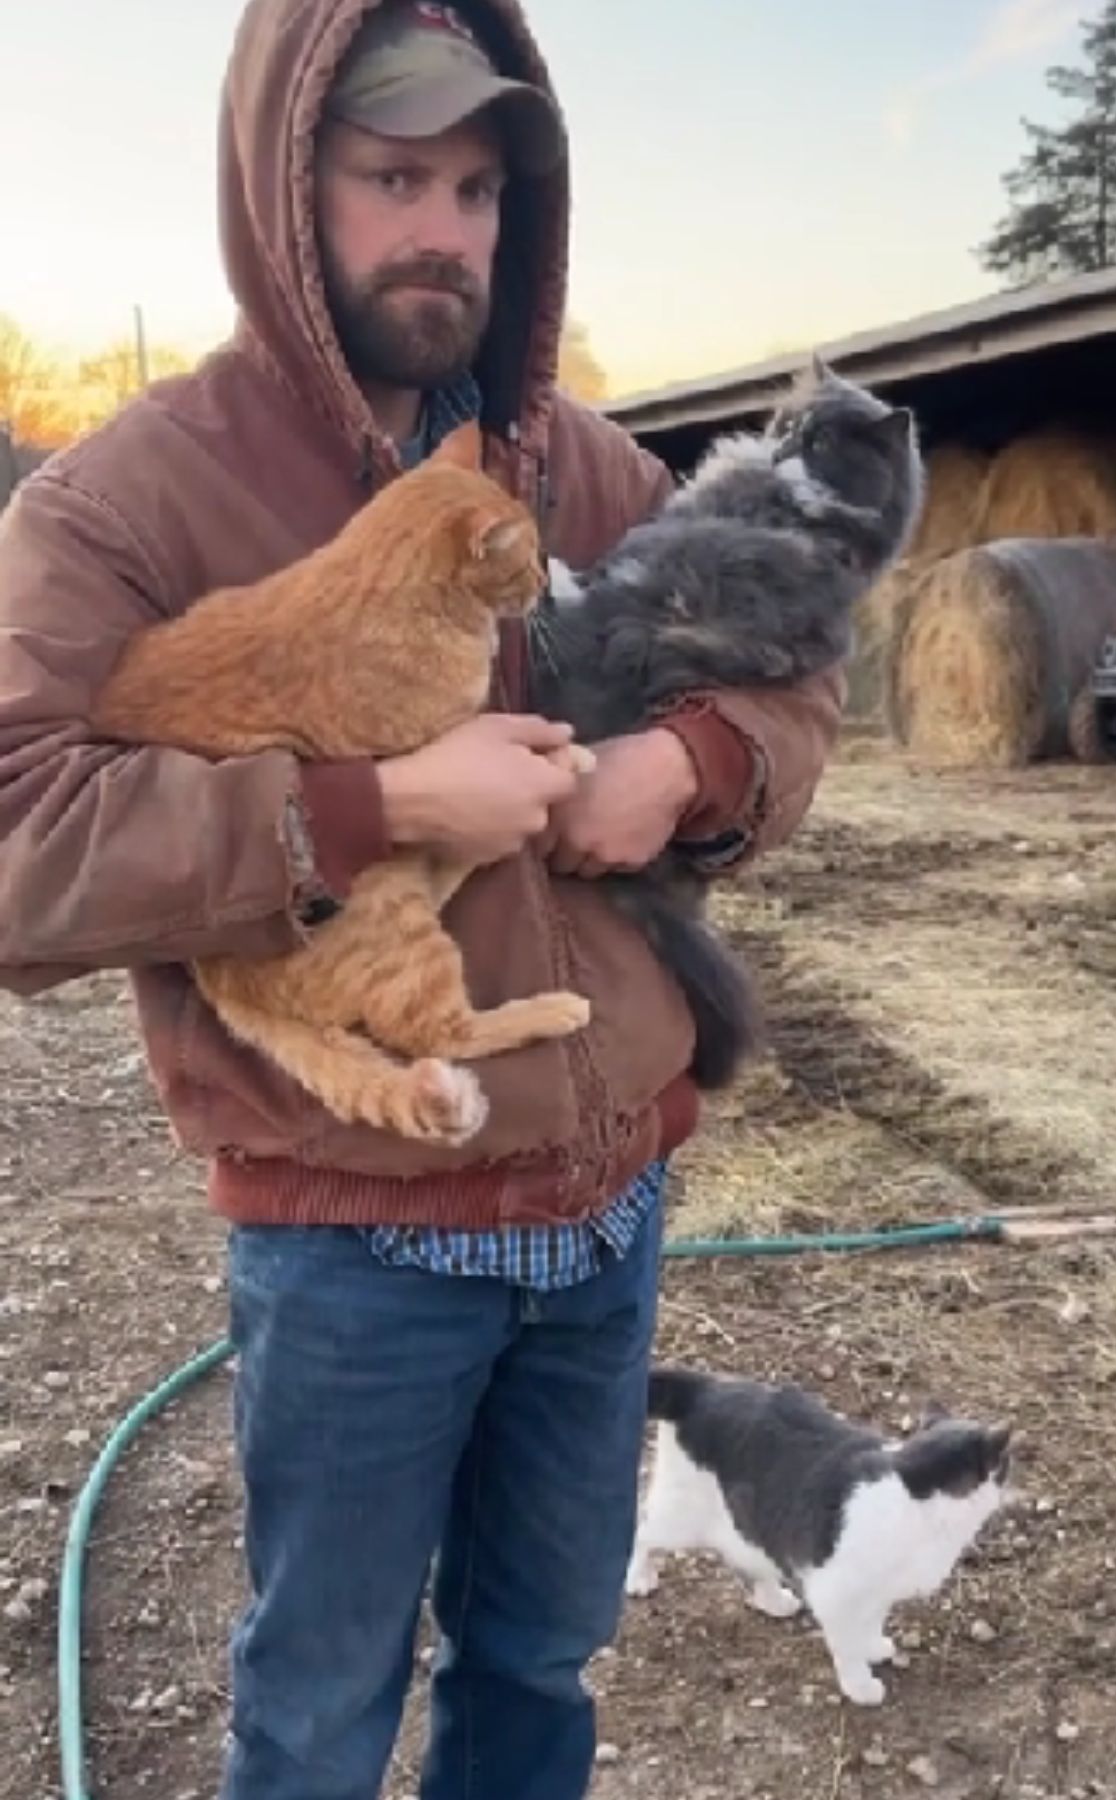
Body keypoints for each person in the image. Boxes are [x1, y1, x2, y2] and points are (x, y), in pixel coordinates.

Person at [0, 2, 842, 1796]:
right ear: (283, 188)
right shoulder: (133, 499)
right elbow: (17, 839)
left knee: (541, 1667)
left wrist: (690, 761)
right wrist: (362, 804)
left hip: (603, 1214)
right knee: (319, 1705)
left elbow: (793, 661)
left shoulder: (576, 468)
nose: (443, 227)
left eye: (477, 187)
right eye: (394, 176)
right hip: (354, 1238)